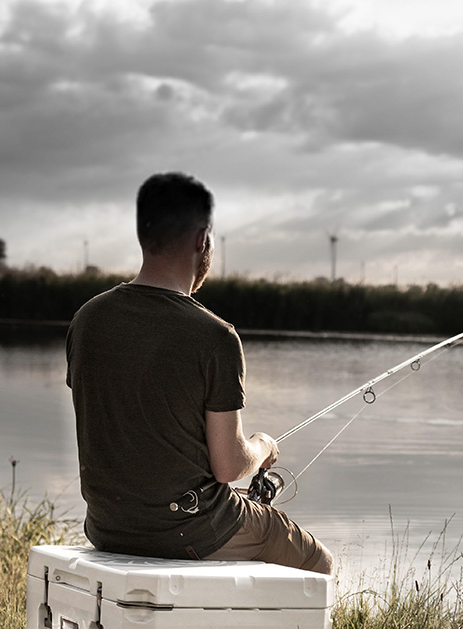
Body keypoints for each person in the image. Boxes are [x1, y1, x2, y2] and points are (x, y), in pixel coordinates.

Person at [65, 172, 333, 575]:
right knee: (318, 562)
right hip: (190, 531)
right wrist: (262, 446)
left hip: (106, 528)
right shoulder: (215, 336)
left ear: (144, 235)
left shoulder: (87, 318)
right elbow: (228, 466)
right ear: (201, 240)